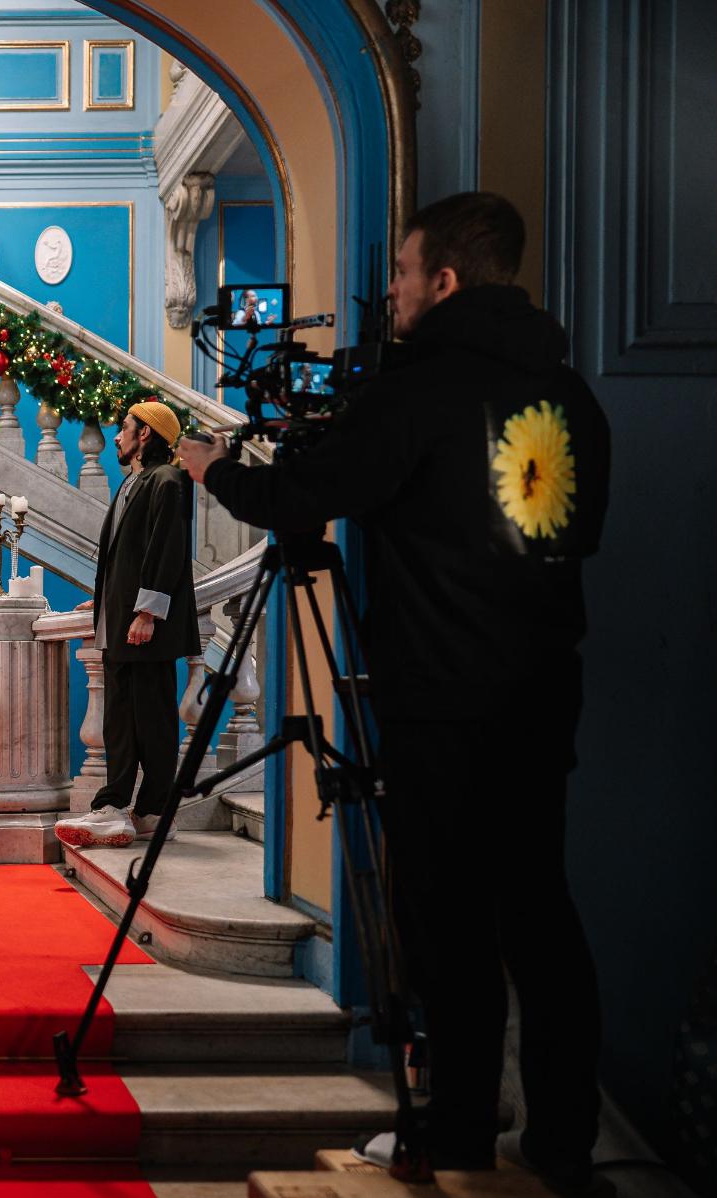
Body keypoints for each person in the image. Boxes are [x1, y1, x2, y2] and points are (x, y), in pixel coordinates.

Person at [176, 192, 611, 1192]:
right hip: (543, 693)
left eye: (406, 273)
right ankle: (563, 1144)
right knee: (540, 915)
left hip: (440, 700)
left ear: (445, 281)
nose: (396, 292)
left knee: (448, 924)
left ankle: (454, 1132)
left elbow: (303, 496)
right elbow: (577, 533)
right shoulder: (571, 396)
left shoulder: (417, 392)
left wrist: (214, 471)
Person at [54, 400, 198, 850]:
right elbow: (128, 557)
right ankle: (127, 809)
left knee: (151, 718)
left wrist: (147, 612)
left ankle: (141, 808)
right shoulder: (134, 482)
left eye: (124, 427)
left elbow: (167, 547)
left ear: (146, 434)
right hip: (123, 619)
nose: (116, 436)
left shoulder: (168, 480)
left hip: (145, 623)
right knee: (121, 716)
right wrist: (107, 601)